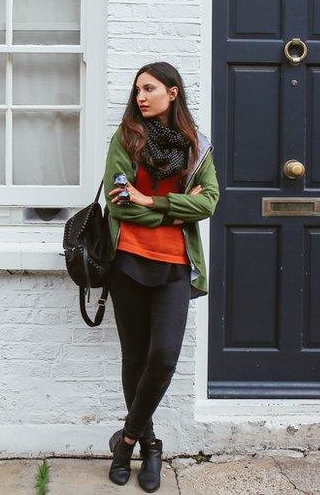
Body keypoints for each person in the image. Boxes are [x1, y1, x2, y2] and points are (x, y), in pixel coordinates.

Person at [101, 61, 220, 492]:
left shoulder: (195, 145)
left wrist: (150, 202)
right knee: (134, 359)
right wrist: (173, 205)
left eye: (149, 89)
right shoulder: (127, 139)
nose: (140, 97)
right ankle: (150, 445)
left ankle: (126, 439)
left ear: (172, 92)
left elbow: (209, 204)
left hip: (174, 267)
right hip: (128, 263)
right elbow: (119, 205)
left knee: (164, 357)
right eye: (136, 91)